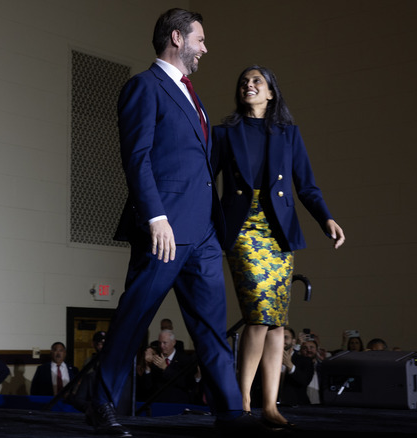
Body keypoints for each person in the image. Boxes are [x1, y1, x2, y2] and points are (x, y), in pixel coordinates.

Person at [89, 8, 261, 437]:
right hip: (163, 230)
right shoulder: (143, 88)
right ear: (176, 38)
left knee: (211, 328)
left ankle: (231, 413)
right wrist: (156, 216)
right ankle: (99, 401)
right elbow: (137, 158)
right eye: (200, 39)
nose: (205, 47)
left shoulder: (191, 94)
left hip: (202, 232)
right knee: (134, 317)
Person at [212, 64, 345, 427]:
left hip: (279, 233)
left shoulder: (288, 134)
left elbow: (306, 185)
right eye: (243, 82)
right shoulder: (224, 133)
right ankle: (240, 401)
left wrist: (326, 218)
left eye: (257, 81)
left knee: (276, 323)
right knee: (258, 315)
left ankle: (269, 405)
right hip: (243, 230)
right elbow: (207, 182)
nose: (248, 85)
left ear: (271, 93)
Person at [137, 330, 198, 404]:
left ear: (173, 342)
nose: (162, 346)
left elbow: (186, 383)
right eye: (160, 343)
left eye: (165, 343)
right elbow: (147, 387)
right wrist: (147, 367)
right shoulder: (156, 358)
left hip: (178, 404)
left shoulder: (185, 359)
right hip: (158, 404)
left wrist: (165, 368)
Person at [278, 327, 314, 406]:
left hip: (297, 407)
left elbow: (304, 381)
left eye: (285, 337)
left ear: (294, 341)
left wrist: (290, 366)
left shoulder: (305, 361)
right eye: (278, 337)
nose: (281, 340)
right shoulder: (268, 360)